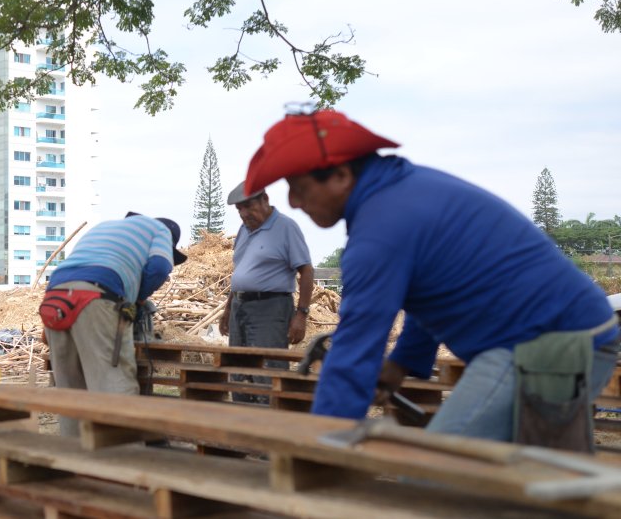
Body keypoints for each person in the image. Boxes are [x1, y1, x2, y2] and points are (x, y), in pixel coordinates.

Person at [244, 109, 618, 448]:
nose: (292, 201)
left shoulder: (381, 228)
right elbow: (432, 296)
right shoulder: (399, 195)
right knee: (513, 481)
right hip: (559, 332)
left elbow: (355, 349)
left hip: (551, 342)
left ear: (341, 175)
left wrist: (320, 447)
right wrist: (401, 363)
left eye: (299, 188)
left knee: (435, 474)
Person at [39, 212, 187, 436]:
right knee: (113, 385)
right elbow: (159, 267)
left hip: (55, 298)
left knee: (70, 392)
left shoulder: (107, 227)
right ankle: (120, 462)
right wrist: (137, 299)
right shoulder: (161, 231)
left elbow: (79, 269)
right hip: (97, 296)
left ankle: (75, 462)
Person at [219, 182, 314, 404]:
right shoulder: (243, 231)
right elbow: (240, 273)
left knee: (267, 371)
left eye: (248, 207)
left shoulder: (286, 228)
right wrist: (226, 310)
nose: (243, 214)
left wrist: (301, 314)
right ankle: (242, 427)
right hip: (239, 306)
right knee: (238, 369)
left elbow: (307, 271)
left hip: (270, 308)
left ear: (265, 199)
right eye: (239, 209)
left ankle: (268, 426)